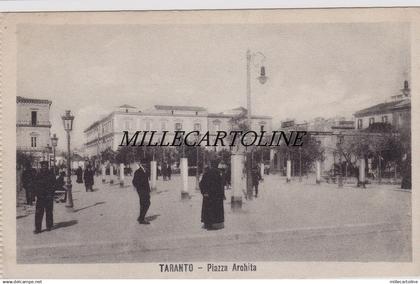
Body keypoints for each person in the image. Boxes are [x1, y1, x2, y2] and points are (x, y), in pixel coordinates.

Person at [199, 159, 225, 230]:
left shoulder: (207, 173)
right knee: (216, 210)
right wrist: (222, 194)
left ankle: (208, 224)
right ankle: (215, 223)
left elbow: (201, 184)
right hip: (217, 196)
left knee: (208, 210)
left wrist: (204, 192)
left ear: (211, 164)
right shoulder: (219, 173)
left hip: (208, 196)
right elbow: (221, 185)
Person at [34, 161, 56, 234]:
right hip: (40, 196)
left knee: (49, 212)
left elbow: (54, 184)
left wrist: (51, 193)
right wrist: (36, 194)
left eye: (45, 166)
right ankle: (38, 229)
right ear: (41, 166)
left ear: (47, 166)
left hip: (48, 196)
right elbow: (35, 185)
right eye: (43, 166)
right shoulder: (38, 174)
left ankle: (49, 226)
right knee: (38, 213)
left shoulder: (51, 174)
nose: (44, 167)